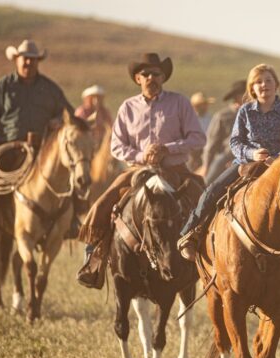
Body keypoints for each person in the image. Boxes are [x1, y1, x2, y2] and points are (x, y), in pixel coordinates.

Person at [76, 53, 206, 289]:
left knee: (205, 199)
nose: (151, 78)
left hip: (175, 169)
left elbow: (198, 138)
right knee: (103, 204)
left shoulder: (180, 102)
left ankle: (211, 260)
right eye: (145, 74)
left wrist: (167, 149)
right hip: (139, 170)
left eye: (156, 74)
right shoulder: (128, 107)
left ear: (163, 77)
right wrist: (141, 155)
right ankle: (93, 261)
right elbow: (116, 145)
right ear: (137, 78)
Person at [177, 64, 280, 260]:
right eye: (258, 82)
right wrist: (253, 153)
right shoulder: (245, 111)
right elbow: (235, 142)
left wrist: (276, 159)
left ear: (277, 85)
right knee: (212, 190)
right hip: (245, 164)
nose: (264, 85)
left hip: (277, 167)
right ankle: (190, 233)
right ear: (252, 88)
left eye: (268, 80)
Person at [0, 39, 72, 243]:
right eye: (25, 59)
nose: (28, 63)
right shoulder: (3, 87)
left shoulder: (50, 89)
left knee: (70, 172)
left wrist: (59, 120)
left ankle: (71, 222)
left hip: (41, 148)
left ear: (38, 62)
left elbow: (69, 114)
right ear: (16, 60)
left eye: (33, 60)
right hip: (7, 146)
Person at [201, 80, 246, 183]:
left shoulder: (256, 113)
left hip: (251, 154)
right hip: (227, 154)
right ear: (237, 96)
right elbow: (211, 144)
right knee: (209, 184)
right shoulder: (222, 116)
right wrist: (206, 165)